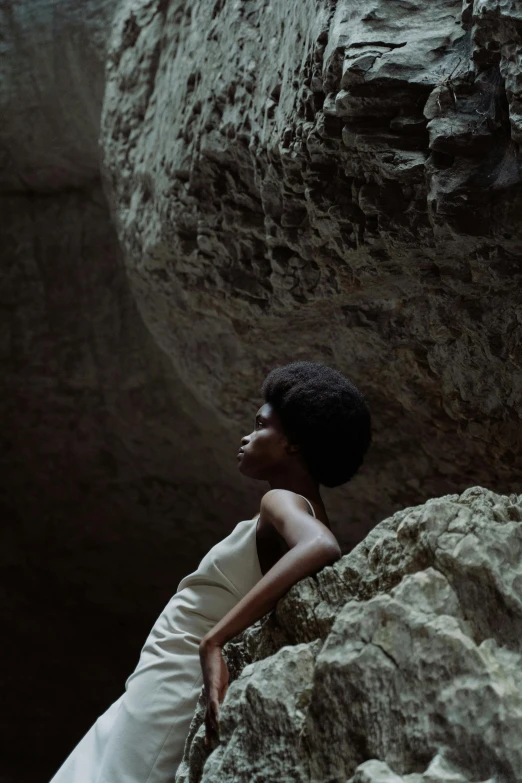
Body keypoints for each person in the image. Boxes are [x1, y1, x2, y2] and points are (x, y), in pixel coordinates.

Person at [49, 360, 372, 782]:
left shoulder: (281, 501)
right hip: (159, 675)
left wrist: (214, 640)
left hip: (176, 680)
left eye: (259, 426)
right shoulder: (300, 508)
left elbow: (322, 546)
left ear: (292, 443)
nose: (246, 436)